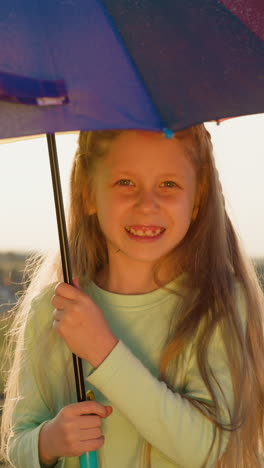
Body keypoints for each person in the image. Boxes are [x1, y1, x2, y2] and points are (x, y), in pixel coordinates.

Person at [1, 125, 264, 468]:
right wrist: (49, 440)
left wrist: (102, 350)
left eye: (169, 184)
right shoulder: (58, 307)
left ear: (197, 199)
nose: (147, 204)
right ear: (88, 194)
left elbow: (212, 452)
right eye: (125, 182)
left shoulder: (218, 306)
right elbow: (18, 441)